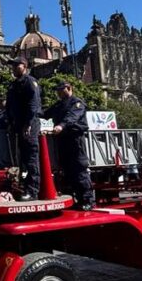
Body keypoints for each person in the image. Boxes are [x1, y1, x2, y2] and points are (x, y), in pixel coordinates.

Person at [43, 81, 95, 209]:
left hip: (74, 138)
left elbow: (72, 117)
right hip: (62, 140)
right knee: (66, 170)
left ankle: (88, 201)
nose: (59, 93)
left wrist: (61, 126)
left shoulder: (77, 103)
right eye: (58, 91)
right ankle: (74, 199)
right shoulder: (58, 105)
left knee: (79, 169)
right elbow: (45, 113)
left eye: (61, 90)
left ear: (69, 88)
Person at [3, 56, 42, 201]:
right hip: (17, 125)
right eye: (12, 66)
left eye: (16, 65)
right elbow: (9, 106)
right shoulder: (13, 84)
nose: (13, 68)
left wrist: (28, 123)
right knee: (20, 159)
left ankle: (33, 191)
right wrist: (10, 123)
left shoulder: (30, 82)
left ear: (24, 66)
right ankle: (21, 187)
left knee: (31, 158)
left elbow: (33, 104)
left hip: (28, 125)